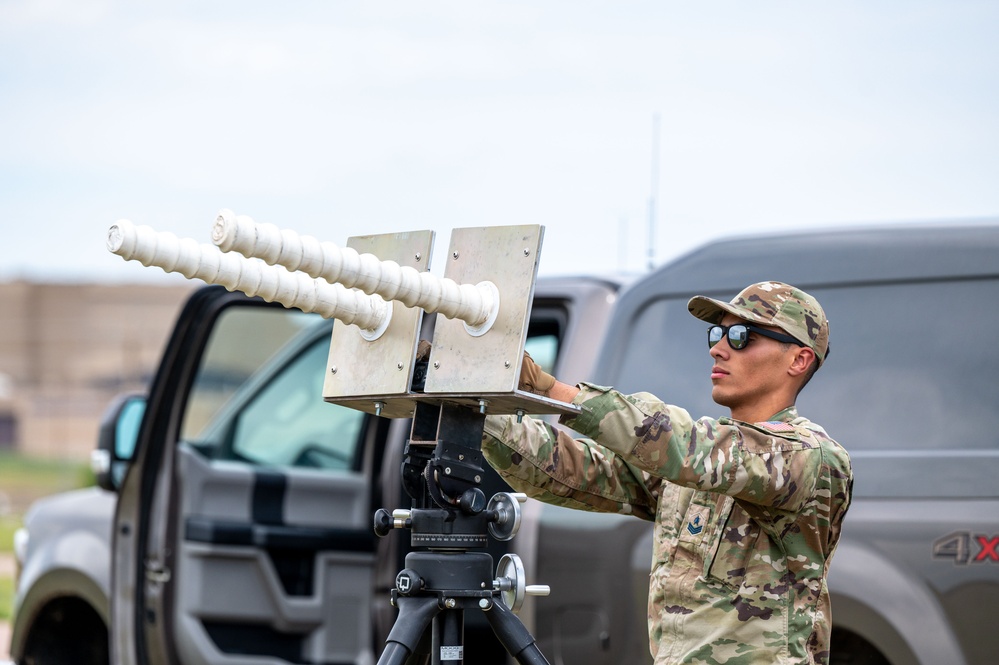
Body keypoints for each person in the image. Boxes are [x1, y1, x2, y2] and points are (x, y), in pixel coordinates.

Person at [481, 281, 853, 665]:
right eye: (717, 333)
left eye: (742, 336)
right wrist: (477, 411)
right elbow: (573, 471)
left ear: (799, 360)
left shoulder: (810, 457)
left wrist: (552, 390)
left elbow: (684, 445)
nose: (718, 348)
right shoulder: (701, 465)